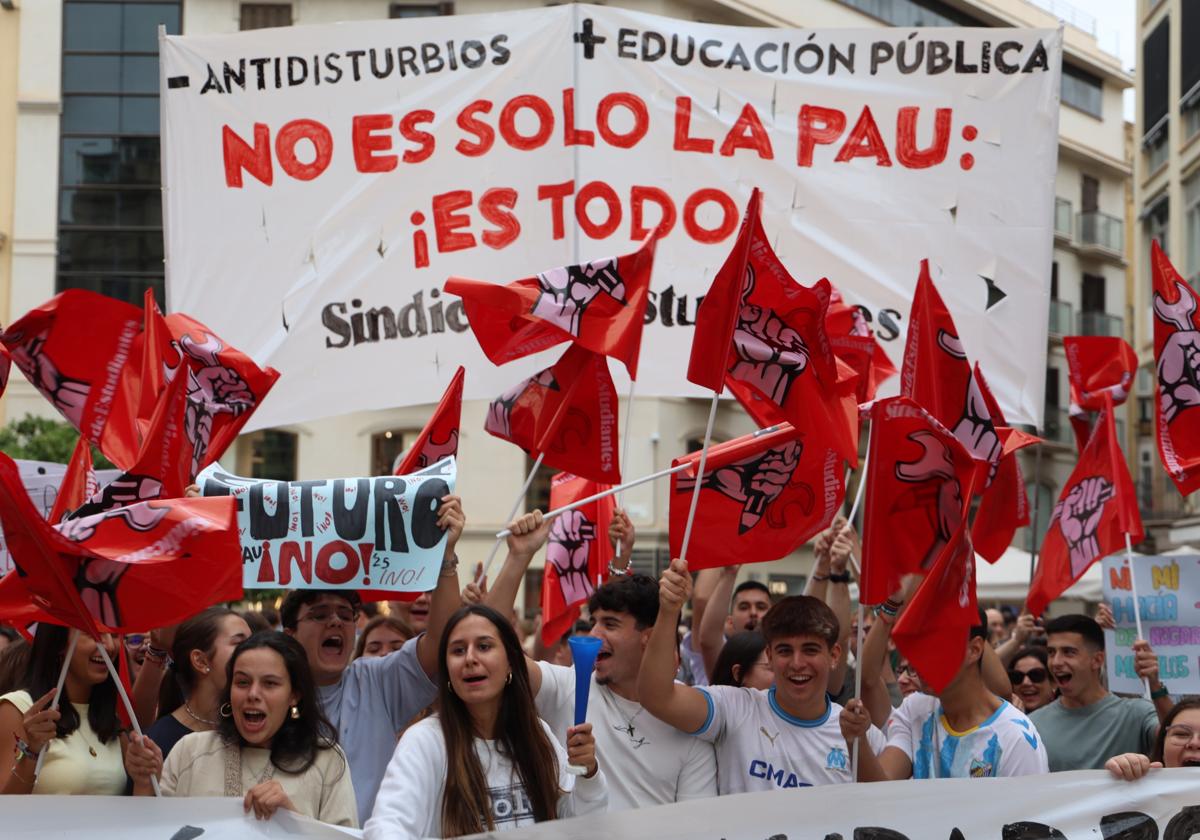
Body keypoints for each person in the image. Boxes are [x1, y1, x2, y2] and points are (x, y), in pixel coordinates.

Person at [486, 512, 717, 812]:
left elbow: (696, 827)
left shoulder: (687, 717)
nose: (593, 634)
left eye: (609, 624)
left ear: (648, 637)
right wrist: (519, 557)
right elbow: (493, 645)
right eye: (593, 622)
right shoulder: (567, 686)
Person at [278, 492, 465, 823]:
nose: (336, 621)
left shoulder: (376, 681)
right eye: (320, 614)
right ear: (289, 632)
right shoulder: (267, 691)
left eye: (345, 614)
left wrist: (445, 557)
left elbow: (442, 643)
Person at [640, 558, 885, 794]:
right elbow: (657, 697)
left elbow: (886, 804)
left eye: (810, 650)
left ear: (834, 656)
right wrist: (669, 611)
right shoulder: (735, 707)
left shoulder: (859, 731)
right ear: (769, 654)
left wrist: (857, 744)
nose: (797, 664)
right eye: (784, 651)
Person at [364, 605, 606, 838]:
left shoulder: (537, 733)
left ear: (511, 661)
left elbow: (581, 827)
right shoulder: (424, 741)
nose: (470, 658)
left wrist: (588, 775)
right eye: (458, 650)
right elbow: (387, 826)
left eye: (484, 646)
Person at [126, 632, 356, 827]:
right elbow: (151, 830)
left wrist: (291, 820)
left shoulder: (327, 759)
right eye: (242, 682)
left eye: (270, 683)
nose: (253, 694)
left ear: (294, 695)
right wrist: (145, 783)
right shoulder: (190, 750)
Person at [840, 609, 1048, 780]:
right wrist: (856, 739)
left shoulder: (1016, 738)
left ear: (974, 650)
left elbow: (1028, 824)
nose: (920, 662)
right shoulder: (915, 710)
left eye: (935, 648)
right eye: (917, 650)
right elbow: (879, 789)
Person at [0, 624, 125, 795]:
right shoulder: (17, 708)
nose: (110, 646)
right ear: (58, 643)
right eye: (93, 633)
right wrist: (31, 753)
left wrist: (144, 780)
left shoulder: (112, 720)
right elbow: (6, 811)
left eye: (115, 635)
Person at [1030, 614, 1160, 772]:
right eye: (1051, 652)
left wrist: (1155, 685)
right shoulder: (1032, 725)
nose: (1056, 662)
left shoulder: (1136, 714)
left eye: (1069, 652)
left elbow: (1174, 736)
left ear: (1097, 660)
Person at [144, 607, 252, 760]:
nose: (254, 650)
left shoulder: (254, 729)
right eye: (240, 643)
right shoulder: (159, 742)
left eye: (253, 642)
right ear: (200, 661)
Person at [1106, 698, 1200, 780]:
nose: (1194, 743)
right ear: (1162, 747)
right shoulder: (1138, 790)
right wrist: (1119, 777)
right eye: (1181, 734)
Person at [1008, 646, 1056, 714]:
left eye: (1035, 675)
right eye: (1018, 676)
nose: (1025, 682)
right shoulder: (1004, 717)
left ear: (1053, 681)